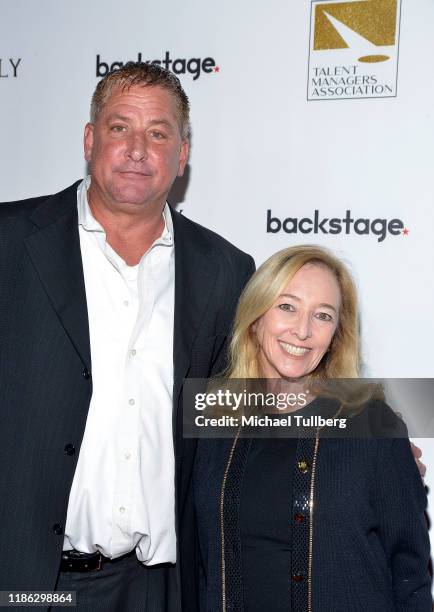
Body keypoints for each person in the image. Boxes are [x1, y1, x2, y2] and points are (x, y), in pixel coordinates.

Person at [0, 62, 254, 611]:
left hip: (161, 587)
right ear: (90, 140)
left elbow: (239, 409)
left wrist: (360, 431)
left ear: (182, 154)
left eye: (158, 133)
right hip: (26, 581)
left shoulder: (225, 271)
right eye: (120, 128)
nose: (138, 149)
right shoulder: (8, 244)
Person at [194, 245, 432, 611]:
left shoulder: (372, 425)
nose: (302, 330)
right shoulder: (213, 423)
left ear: (336, 334)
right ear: (256, 317)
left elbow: (410, 569)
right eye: (287, 306)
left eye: (322, 316)